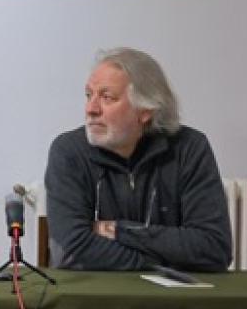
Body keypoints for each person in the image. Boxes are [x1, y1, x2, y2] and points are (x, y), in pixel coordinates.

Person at [44, 48, 232, 272]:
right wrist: (156, 262)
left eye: (107, 97)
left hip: (171, 303)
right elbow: (71, 249)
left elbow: (213, 248)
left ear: (145, 111)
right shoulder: (68, 151)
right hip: (92, 300)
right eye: (89, 95)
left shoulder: (189, 149)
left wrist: (118, 230)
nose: (91, 109)